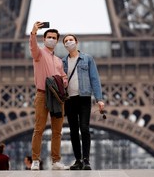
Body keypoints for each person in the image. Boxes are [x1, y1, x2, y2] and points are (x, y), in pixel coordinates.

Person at [29, 21, 69, 170]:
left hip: (57, 97)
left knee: (57, 131)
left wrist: (63, 81)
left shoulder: (58, 61)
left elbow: (64, 76)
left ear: (57, 41)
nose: (51, 39)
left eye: (54, 37)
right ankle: (35, 160)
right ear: (44, 39)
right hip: (42, 94)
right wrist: (33, 32)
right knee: (38, 129)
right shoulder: (38, 54)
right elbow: (32, 46)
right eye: (49, 37)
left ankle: (55, 161)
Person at [62, 34, 105, 170]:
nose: (69, 42)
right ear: (64, 45)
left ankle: (86, 160)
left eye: (71, 40)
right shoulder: (62, 62)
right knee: (73, 131)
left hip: (84, 98)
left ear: (76, 42)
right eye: (66, 41)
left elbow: (95, 79)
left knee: (84, 128)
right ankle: (78, 160)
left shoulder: (87, 58)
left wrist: (99, 99)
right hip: (69, 99)